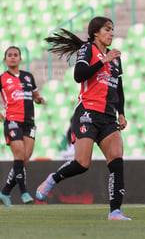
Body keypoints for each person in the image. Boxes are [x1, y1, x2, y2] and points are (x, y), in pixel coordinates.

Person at [36, 16, 131, 220]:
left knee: (116, 161)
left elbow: (118, 88)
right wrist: (103, 60)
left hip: (107, 117)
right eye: (107, 29)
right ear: (95, 33)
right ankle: (53, 177)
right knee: (82, 163)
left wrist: (121, 112)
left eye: (112, 30)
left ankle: (115, 211)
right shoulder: (88, 50)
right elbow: (79, 75)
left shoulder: (116, 58)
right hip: (87, 112)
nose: (112, 33)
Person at [0, 46, 45, 207]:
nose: (13, 57)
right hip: (12, 120)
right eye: (9, 55)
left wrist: (39, 99)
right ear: (5, 60)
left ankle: (5, 192)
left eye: (15, 55)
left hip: (29, 122)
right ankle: (24, 192)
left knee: (24, 160)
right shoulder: (2, 78)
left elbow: (34, 95)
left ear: (20, 59)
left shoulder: (28, 77)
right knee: (18, 155)